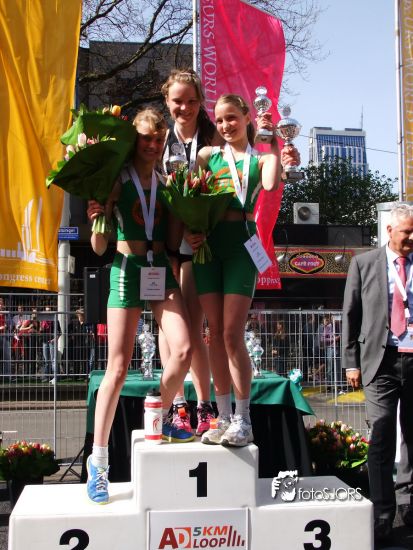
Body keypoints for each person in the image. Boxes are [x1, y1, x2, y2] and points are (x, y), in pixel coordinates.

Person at [86, 107, 193, 504]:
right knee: (116, 369)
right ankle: (98, 463)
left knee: (184, 349)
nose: (153, 145)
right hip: (126, 269)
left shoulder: (166, 182)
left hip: (160, 268)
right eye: (147, 138)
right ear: (134, 139)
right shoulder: (117, 181)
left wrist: (186, 209)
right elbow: (99, 247)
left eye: (159, 139)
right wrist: (97, 215)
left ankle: (158, 412)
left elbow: (173, 240)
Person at [188, 93, 293, 447]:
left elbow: (270, 184)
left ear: (248, 117)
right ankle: (222, 417)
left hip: (242, 247)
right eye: (219, 120)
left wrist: (272, 140)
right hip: (208, 248)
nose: (225, 125)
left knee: (232, 334)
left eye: (232, 117)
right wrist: (191, 231)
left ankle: (243, 419)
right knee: (214, 334)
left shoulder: (259, 160)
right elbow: (190, 198)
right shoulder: (207, 156)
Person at [342, 202, 413, 544]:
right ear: (389, 230)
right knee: (382, 434)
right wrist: (350, 362)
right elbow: (350, 313)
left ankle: (408, 503)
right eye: (406, 233)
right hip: (379, 362)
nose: (411, 239)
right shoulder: (364, 263)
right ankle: (383, 513)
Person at [159, 69, 220, 435]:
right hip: (164, 244)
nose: (184, 107)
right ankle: (177, 405)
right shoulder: (159, 139)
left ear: (201, 102)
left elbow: (226, 184)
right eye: (177, 101)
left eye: (192, 101)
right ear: (167, 101)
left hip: (199, 245)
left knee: (195, 329)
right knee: (169, 329)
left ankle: (204, 404)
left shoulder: (213, 136)